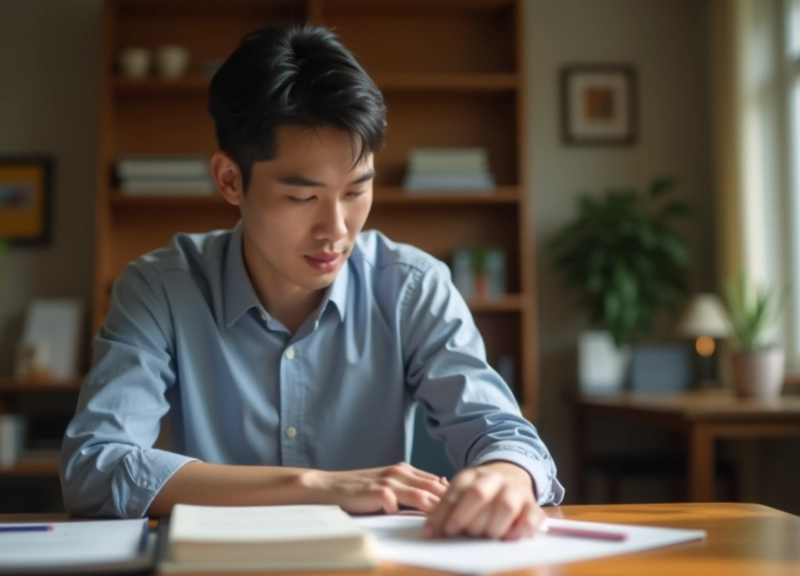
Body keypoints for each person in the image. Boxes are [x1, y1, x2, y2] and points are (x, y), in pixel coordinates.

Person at [60, 24, 563, 541]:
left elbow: (504, 434)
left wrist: (506, 476)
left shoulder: (412, 286)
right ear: (230, 180)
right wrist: (317, 486)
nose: (336, 231)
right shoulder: (161, 288)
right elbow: (95, 467)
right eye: (303, 198)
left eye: (356, 191)